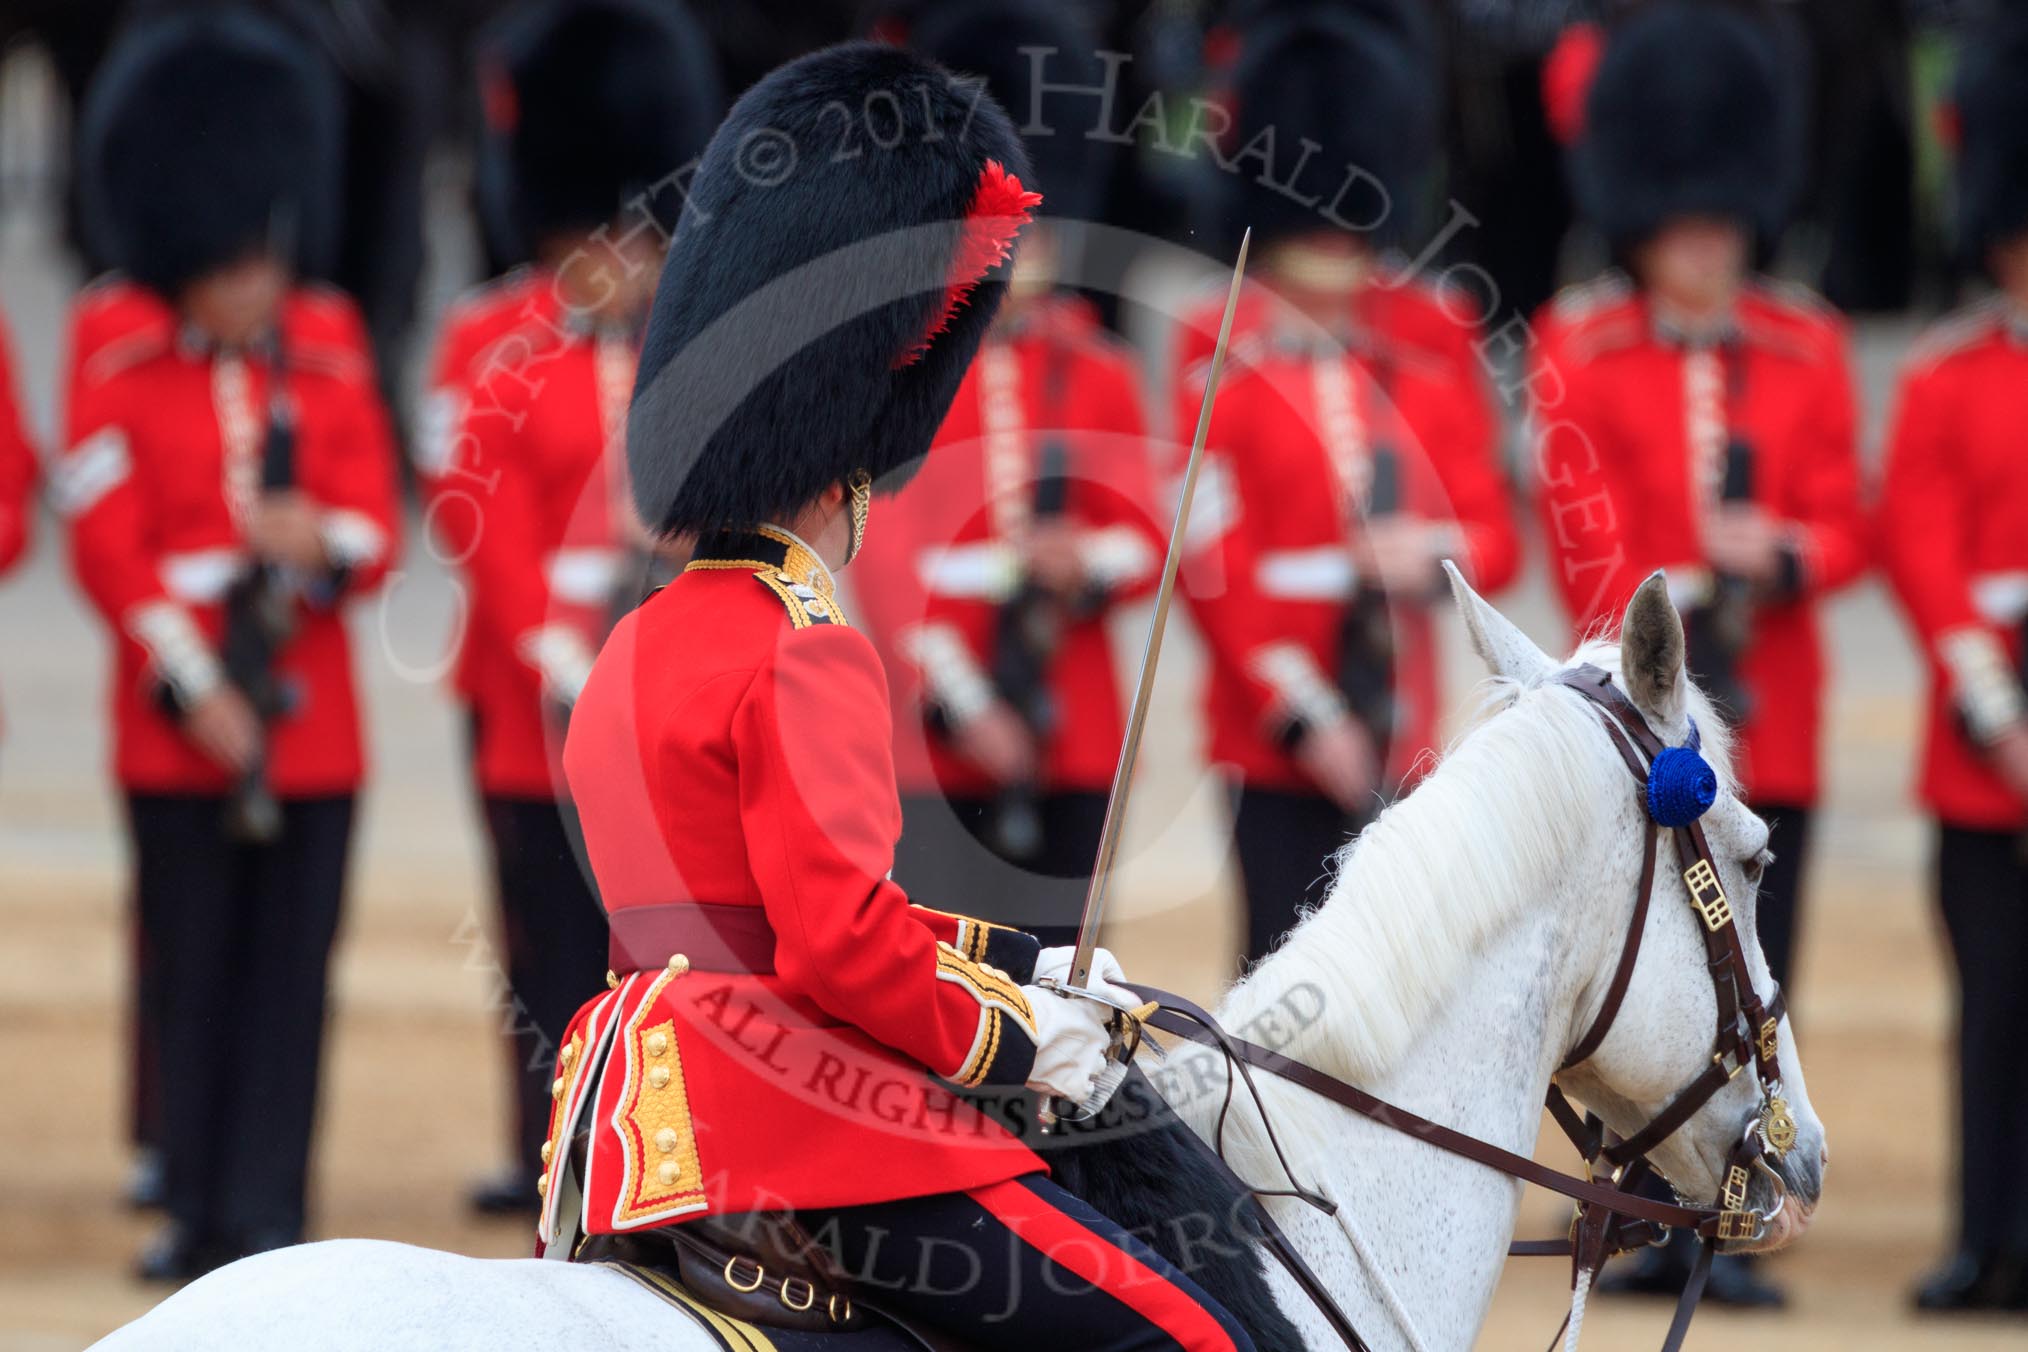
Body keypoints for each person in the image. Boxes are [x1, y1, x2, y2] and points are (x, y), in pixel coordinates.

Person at [537, 42, 1253, 1350]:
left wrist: (1033, 971)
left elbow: (771, 912)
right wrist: (1019, 1049)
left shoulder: (636, 646)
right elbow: (834, 946)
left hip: (643, 1115)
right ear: (847, 473)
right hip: (800, 1127)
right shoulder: (802, 644)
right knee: (1185, 1334)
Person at [55, 7, 400, 1280]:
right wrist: (193, 683)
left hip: (310, 721)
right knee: (188, 967)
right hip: (174, 718)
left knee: (288, 979)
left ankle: (268, 1207)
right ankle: (193, 1201)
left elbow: (381, 529)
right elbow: (105, 535)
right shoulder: (113, 340)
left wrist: (323, 538)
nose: (254, 279)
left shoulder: (327, 338)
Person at [1532, 0, 1866, 1307]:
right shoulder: (1582, 348)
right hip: (1654, 730)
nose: (1708, 253)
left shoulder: (1810, 346)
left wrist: (1784, 554)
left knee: (1765, 982)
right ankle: (1646, 1216)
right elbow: (1587, 553)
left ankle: (1748, 1219)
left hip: (1774, 720)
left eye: (1723, 230)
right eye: (1687, 230)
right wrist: (1697, 569)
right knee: (1645, 982)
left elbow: (1854, 516)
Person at [423, 0, 721, 1219]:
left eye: (638, 235)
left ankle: (658, 1155)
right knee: (546, 933)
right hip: (526, 699)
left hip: (663, 694)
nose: (624, 259)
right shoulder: (487, 339)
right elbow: (468, 516)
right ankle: (547, 1143)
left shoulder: (691, 346)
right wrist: (549, 649)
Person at [1178, 3, 1519, 962]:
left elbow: (1495, 530)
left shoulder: (1432, 328)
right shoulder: (1218, 333)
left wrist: (1434, 551)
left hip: (1408, 716)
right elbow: (1211, 555)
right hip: (1271, 726)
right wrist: (1303, 715)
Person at [850, 0, 1162, 947]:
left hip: (1074, 721)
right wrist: (966, 699)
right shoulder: (908, 360)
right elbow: (886, 558)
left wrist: (1088, 559)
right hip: (939, 725)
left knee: (1068, 1011)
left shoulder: (1097, 368)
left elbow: (1150, 533)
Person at [1880, 7, 2028, 1314]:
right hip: (1988, 758)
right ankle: (1990, 1237)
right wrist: (1993, 698)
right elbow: (1921, 551)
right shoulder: (1946, 381)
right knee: (1993, 1009)